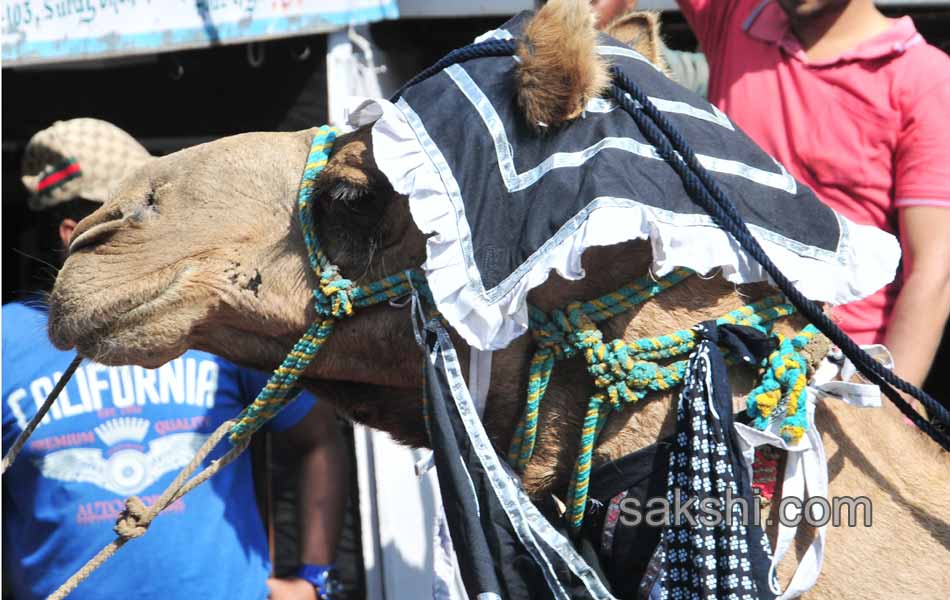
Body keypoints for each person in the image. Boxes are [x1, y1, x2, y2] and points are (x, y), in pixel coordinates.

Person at [3, 118, 348, 600]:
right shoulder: (4, 341)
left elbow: (316, 440)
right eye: (142, 213)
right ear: (76, 233)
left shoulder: (213, 316)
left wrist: (313, 580)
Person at [672, 0, 950, 388]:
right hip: (717, 354)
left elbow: (933, 273)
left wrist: (885, 405)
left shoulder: (925, 78)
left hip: (835, 376)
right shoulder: (737, 17)